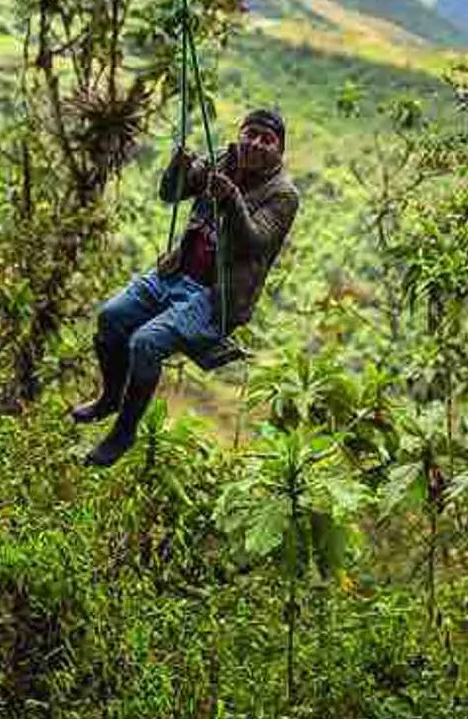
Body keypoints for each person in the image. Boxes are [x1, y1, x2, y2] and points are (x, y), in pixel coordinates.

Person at [72, 108, 300, 467]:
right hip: (177, 271)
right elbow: (170, 193)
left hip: (215, 297)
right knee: (111, 318)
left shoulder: (284, 194)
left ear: (279, 150)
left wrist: (231, 200)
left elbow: (256, 241)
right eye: (250, 133)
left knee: (146, 343)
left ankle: (123, 434)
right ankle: (110, 397)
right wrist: (178, 167)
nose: (255, 143)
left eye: (266, 139)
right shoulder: (224, 158)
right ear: (240, 134)